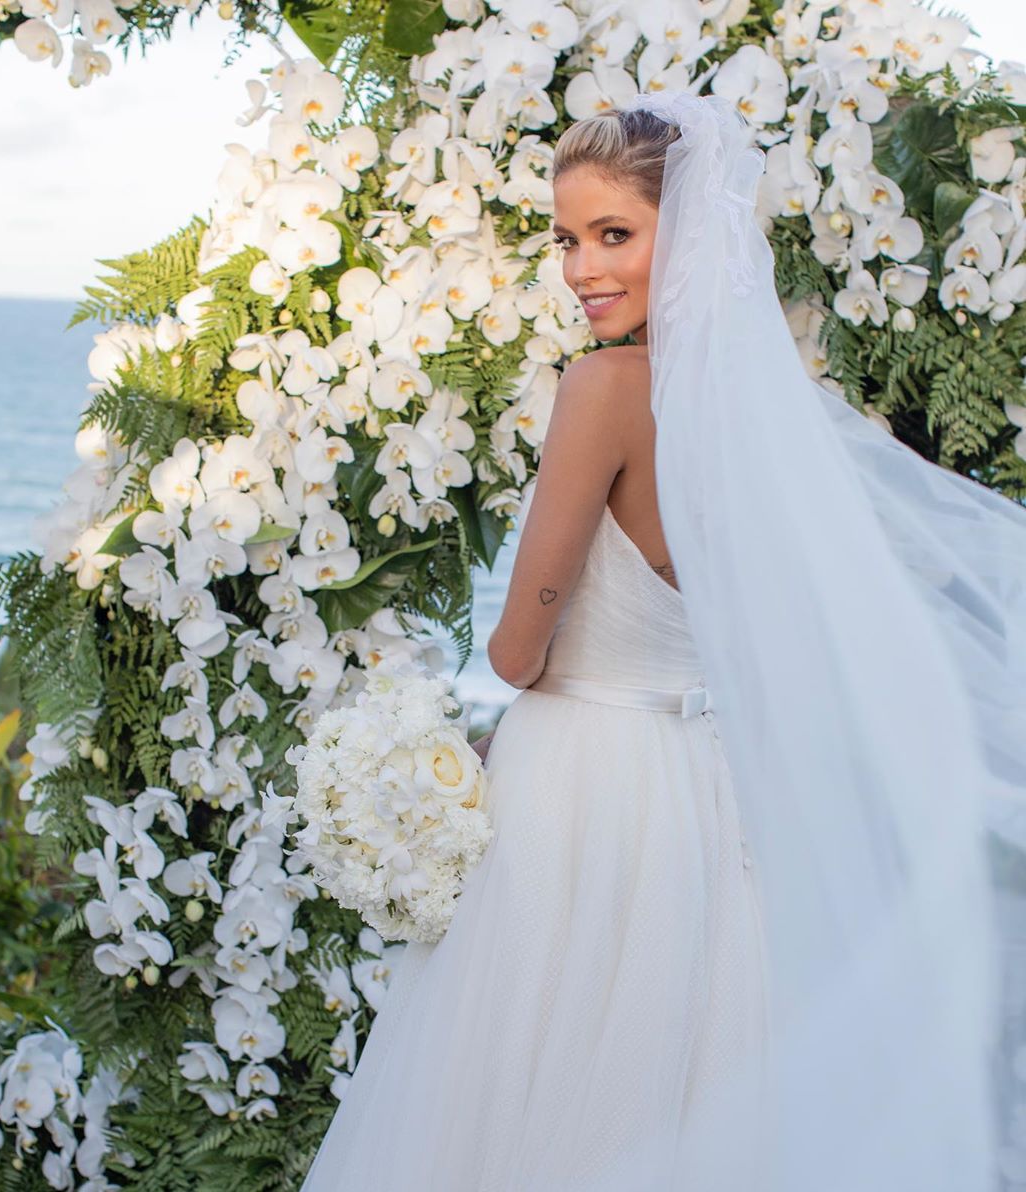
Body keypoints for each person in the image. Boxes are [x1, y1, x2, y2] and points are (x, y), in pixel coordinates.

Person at [300, 92, 1026, 1191]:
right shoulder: (756, 412)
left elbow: (514, 651)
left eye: (614, 234)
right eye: (567, 239)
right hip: (706, 796)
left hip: (581, 794)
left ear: (687, 233)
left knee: (523, 1104)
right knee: (689, 1091)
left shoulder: (601, 390)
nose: (583, 267)